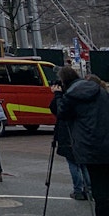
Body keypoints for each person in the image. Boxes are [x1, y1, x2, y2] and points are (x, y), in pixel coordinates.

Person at [58, 69, 109, 216]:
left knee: (100, 191)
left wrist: (57, 95)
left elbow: (61, 113)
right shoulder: (102, 92)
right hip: (105, 142)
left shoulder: (71, 96)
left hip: (90, 147)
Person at [50, 66, 90, 200]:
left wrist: (57, 95)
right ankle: (89, 189)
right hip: (82, 132)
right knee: (84, 163)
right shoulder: (82, 91)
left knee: (73, 163)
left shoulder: (66, 95)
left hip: (67, 132)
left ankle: (78, 190)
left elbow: (58, 110)